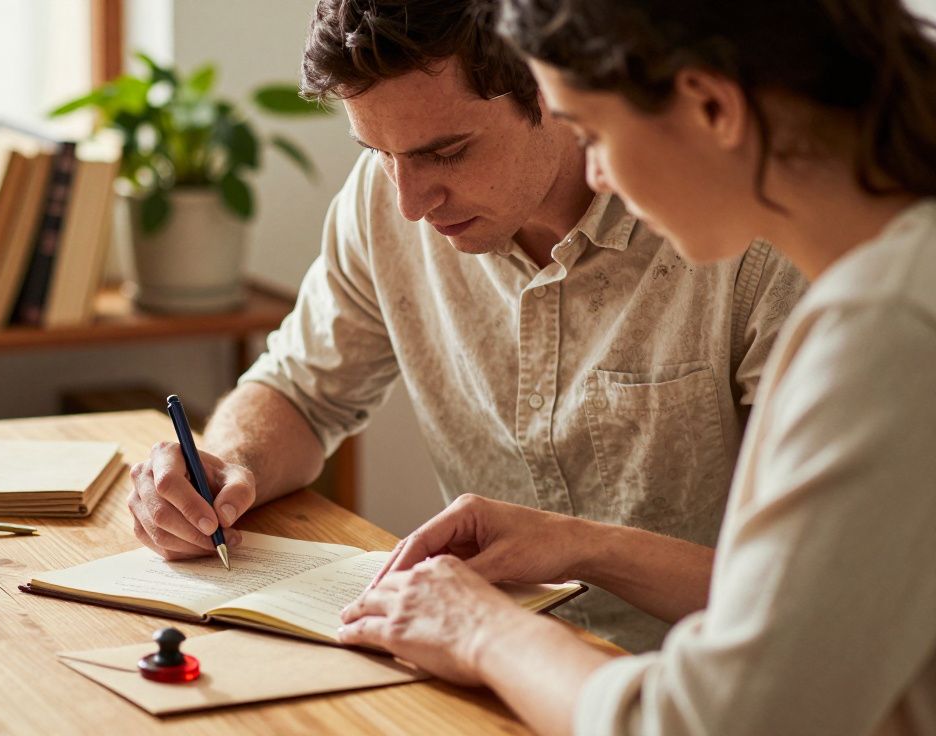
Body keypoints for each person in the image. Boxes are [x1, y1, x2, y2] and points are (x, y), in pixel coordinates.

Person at [127, 0, 807, 653]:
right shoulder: (383, 201)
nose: (409, 201)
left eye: (445, 153)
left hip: (696, 684)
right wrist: (228, 467)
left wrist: (583, 547)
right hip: (478, 668)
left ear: (555, 89)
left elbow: (811, 586)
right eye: (377, 152)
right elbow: (302, 390)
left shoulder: (753, 241)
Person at [337, 0, 936, 733]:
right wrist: (582, 544)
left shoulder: (885, 328)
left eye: (591, 133)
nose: (596, 175)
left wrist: (479, 630)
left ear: (712, 106)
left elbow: (707, 725)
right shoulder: (887, 280)